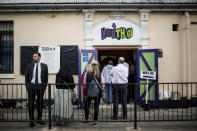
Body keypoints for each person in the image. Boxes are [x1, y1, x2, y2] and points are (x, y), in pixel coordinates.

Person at [25, 52, 48, 127]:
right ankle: (31, 120)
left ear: (39, 57)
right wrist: (28, 86)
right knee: (31, 103)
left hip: (40, 87)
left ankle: (39, 118)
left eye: (35, 56)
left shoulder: (44, 66)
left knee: (40, 103)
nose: (33, 57)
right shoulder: (29, 66)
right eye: (33, 56)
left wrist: (44, 87)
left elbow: (46, 78)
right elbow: (26, 77)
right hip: (31, 86)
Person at [84, 61, 105, 125]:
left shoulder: (87, 73)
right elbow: (103, 84)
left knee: (87, 106)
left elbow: (84, 84)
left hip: (89, 92)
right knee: (96, 107)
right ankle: (95, 121)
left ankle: (86, 119)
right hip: (98, 92)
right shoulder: (100, 74)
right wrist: (102, 90)